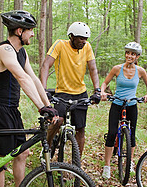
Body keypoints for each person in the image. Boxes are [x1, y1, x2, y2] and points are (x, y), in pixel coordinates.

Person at [0, 10, 58, 187]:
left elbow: (33, 78)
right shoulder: (5, 50)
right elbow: (21, 78)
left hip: (11, 110)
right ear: (19, 30)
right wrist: (40, 108)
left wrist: (48, 105)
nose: (32, 34)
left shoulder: (21, 52)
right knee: (0, 159)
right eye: (30, 31)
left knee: (21, 153)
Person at [40, 22, 101, 156]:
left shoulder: (87, 47)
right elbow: (46, 66)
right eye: (80, 38)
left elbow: (93, 69)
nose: (84, 42)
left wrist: (97, 90)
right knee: (58, 121)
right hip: (62, 92)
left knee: (80, 129)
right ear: (72, 36)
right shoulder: (60, 45)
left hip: (80, 93)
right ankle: (47, 147)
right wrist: (43, 89)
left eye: (86, 39)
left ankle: (77, 163)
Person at [100, 42, 147, 179]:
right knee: (111, 133)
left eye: (133, 54)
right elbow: (105, 83)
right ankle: (107, 166)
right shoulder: (117, 69)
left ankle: (129, 162)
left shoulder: (140, 71)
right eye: (127, 53)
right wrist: (103, 92)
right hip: (117, 103)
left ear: (137, 56)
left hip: (132, 104)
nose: (129, 56)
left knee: (132, 134)